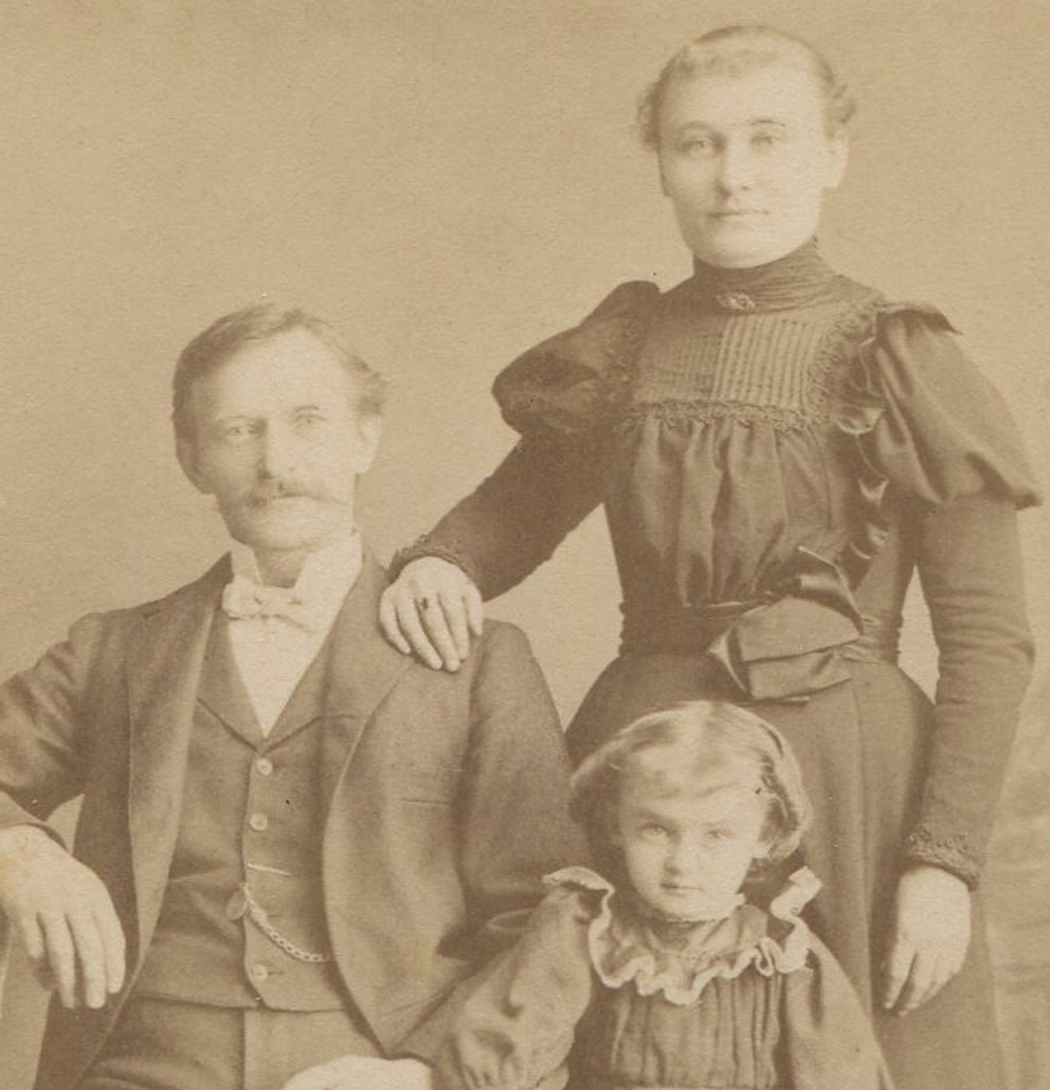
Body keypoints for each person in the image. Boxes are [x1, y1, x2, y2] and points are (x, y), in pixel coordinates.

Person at [379, 25, 1038, 1090]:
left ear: (833, 154)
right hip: (648, 772)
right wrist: (442, 562)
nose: (733, 176)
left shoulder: (900, 357)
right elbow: (516, 511)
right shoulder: (626, 347)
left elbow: (989, 642)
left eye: (768, 139)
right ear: (663, 164)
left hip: (852, 788)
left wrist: (941, 864)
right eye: (698, 144)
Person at [0, 305, 586, 1090]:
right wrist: (20, 850)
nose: (275, 461)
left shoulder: (482, 663)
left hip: (383, 1065)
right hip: (140, 1063)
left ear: (366, 438)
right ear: (192, 459)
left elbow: (545, 915)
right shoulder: (112, 652)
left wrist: (426, 1072)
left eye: (308, 421)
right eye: (237, 430)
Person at [436, 701, 893, 1090]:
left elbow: (846, 1077)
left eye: (716, 835)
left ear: (765, 836)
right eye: (657, 829)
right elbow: (503, 1053)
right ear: (615, 824)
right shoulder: (582, 931)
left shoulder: (785, 955)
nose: (682, 862)